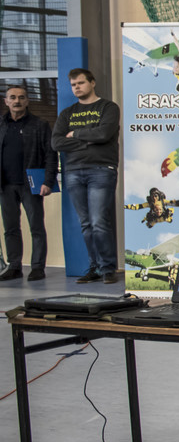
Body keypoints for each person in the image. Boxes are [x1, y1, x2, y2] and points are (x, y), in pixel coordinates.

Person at [51, 68, 121, 284]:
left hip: (101, 169)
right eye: (73, 85)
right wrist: (88, 141)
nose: (77, 87)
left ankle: (108, 268)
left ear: (92, 82)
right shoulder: (67, 113)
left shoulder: (108, 107)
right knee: (86, 224)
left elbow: (104, 133)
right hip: (73, 171)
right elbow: (56, 142)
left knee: (99, 221)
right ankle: (95, 267)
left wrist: (76, 134)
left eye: (80, 83)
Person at [0, 84, 58, 281]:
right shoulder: (1, 124)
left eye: (21, 97)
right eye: (12, 97)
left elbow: (50, 155)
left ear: (27, 100)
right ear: (6, 101)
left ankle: (38, 267)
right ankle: (14, 266)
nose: (17, 101)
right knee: (10, 228)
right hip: (5, 185)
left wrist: (48, 181)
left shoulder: (39, 124)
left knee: (36, 227)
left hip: (31, 184)